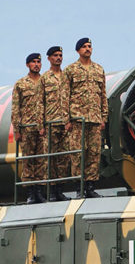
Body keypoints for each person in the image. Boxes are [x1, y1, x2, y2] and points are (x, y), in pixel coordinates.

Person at [63, 37, 107, 198]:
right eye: (84, 47)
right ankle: (79, 188)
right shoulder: (70, 70)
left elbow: (103, 95)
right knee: (78, 154)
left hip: (95, 119)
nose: (88, 49)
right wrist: (66, 119)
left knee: (94, 153)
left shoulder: (98, 69)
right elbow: (64, 96)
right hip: (77, 119)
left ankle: (90, 186)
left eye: (90, 46)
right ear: (78, 51)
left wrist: (104, 118)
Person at [12, 52, 47, 204]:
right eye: (33, 62)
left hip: (43, 128)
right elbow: (15, 108)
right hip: (27, 128)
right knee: (28, 161)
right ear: (28, 65)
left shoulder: (45, 81)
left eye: (38, 62)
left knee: (41, 161)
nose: (36, 64)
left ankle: (39, 191)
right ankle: (30, 193)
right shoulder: (21, 84)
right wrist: (16, 129)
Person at [41, 45, 69, 202]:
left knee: (63, 159)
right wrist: (41, 125)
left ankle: (60, 190)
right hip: (50, 123)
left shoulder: (66, 77)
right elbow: (39, 103)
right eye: (55, 55)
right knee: (50, 158)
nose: (58, 58)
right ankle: (51, 191)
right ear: (49, 58)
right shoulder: (45, 79)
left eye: (60, 55)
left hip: (64, 123)